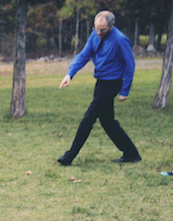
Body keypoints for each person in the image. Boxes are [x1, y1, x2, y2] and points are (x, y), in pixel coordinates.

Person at [57, 11, 141, 166]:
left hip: (112, 84)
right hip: (100, 83)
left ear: (111, 26)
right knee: (108, 122)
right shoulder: (94, 36)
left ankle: (69, 156)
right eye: (96, 28)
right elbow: (83, 55)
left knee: (88, 118)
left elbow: (130, 65)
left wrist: (124, 91)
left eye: (102, 29)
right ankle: (131, 153)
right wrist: (70, 74)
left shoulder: (120, 40)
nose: (99, 32)